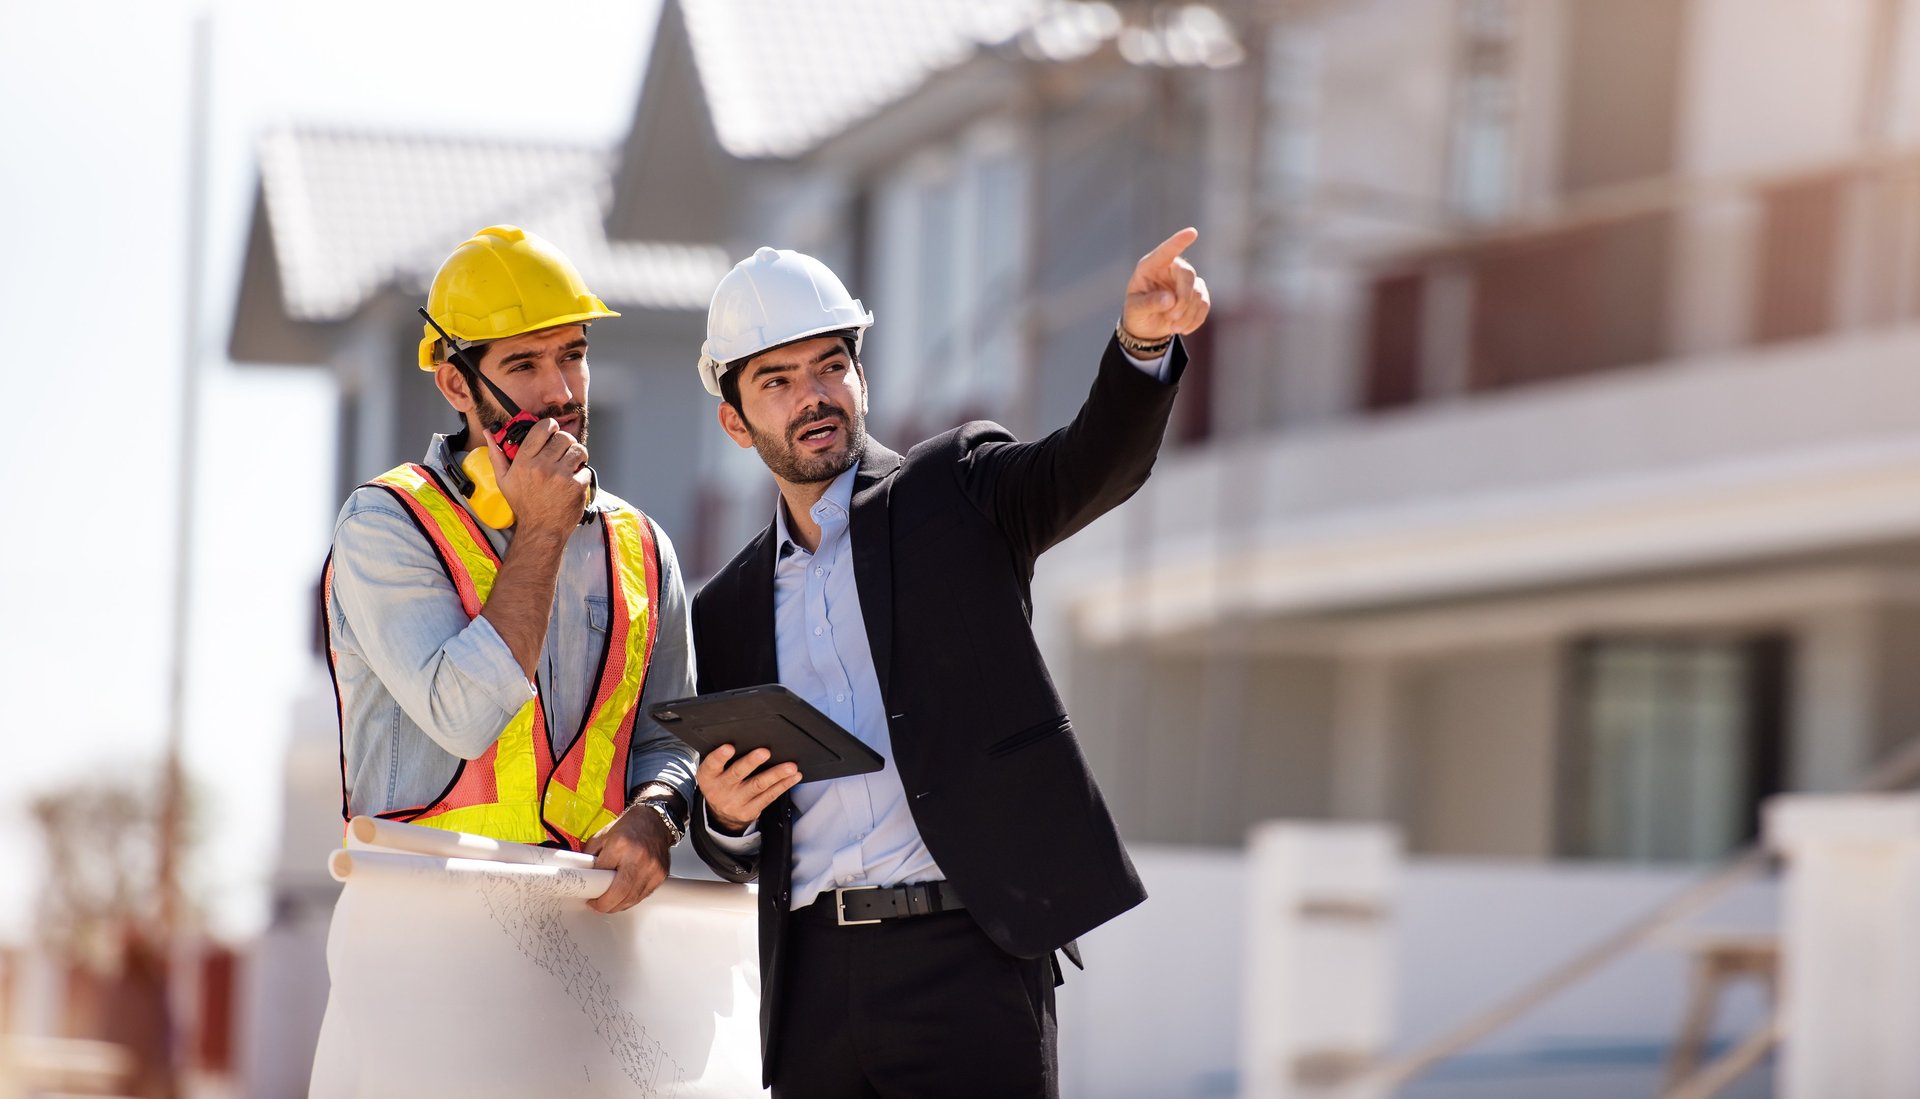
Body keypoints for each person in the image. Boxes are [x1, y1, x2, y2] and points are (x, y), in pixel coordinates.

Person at [689, 229, 1210, 1095]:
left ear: (862, 376)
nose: (812, 396)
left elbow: (1091, 464)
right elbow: (742, 841)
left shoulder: (956, 489)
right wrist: (729, 817)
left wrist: (1143, 345)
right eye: (776, 381)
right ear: (734, 420)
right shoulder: (726, 609)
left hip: (968, 960)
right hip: (814, 991)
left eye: (829, 366)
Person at [323, 224, 695, 914]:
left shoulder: (642, 548)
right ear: (455, 382)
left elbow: (669, 741)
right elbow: (464, 717)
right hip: (424, 937)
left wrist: (658, 812)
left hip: (587, 936)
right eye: (524, 365)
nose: (561, 391)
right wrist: (544, 528)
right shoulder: (385, 525)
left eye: (574, 356)